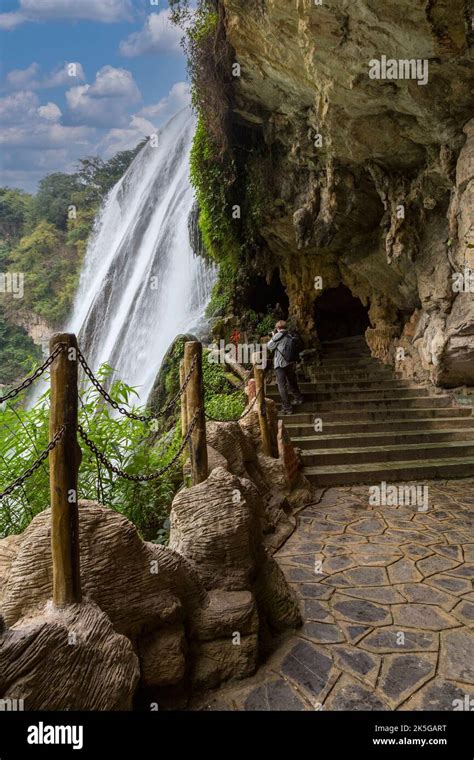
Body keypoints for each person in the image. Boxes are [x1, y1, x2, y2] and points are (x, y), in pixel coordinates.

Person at [267, 320, 304, 415]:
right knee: (292, 381)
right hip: (290, 362)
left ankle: (287, 407)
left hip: (280, 364)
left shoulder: (278, 335)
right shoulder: (289, 334)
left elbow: (269, 346)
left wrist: (272, 336)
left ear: (278, 328)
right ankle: (299, 398)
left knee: (281, 385)